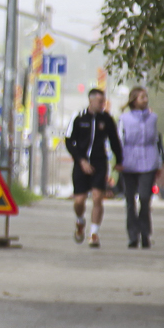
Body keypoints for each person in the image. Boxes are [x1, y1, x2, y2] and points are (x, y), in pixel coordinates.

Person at [64, 88, 123, 248]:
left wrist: (119, 160)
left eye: (103, 102)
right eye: (99, 101)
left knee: (98, 197)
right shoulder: (78, 117)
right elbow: (69, 141)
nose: (102, 104)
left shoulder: (107, 119)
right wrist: (81, 160)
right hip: (81, 163)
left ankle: (94, 233)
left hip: (99, 162)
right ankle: (80, 220)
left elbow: (114, 141)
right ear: (91, 101)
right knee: (79, 201)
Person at [117, 86, 164, 249]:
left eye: (146, 97)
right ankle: (132, 234)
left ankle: (145, 233)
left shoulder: (153, 118)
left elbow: (157, 141)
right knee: (130, 200)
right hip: (129, 161)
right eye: (141, 97)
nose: (145, 99)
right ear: (134, 100)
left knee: (145, 198)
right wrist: (118, 160)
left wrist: (159, 162)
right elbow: (119, 140)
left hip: (148, 161)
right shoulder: (124, 119)